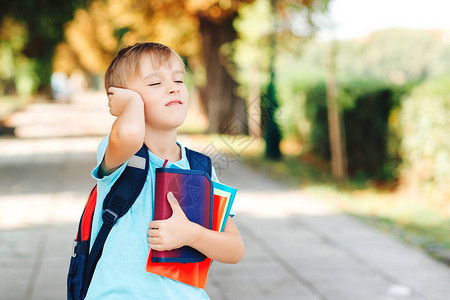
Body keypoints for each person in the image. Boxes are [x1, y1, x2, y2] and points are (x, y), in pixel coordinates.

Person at [87, 42, 244, 299]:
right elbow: (130, 133)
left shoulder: (200, 167)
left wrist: (191, 234)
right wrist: (131, 105)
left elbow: (234, 249)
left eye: (179, 80)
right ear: (123, 99)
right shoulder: (121, 155)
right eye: (154, 83)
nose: (173, 87)